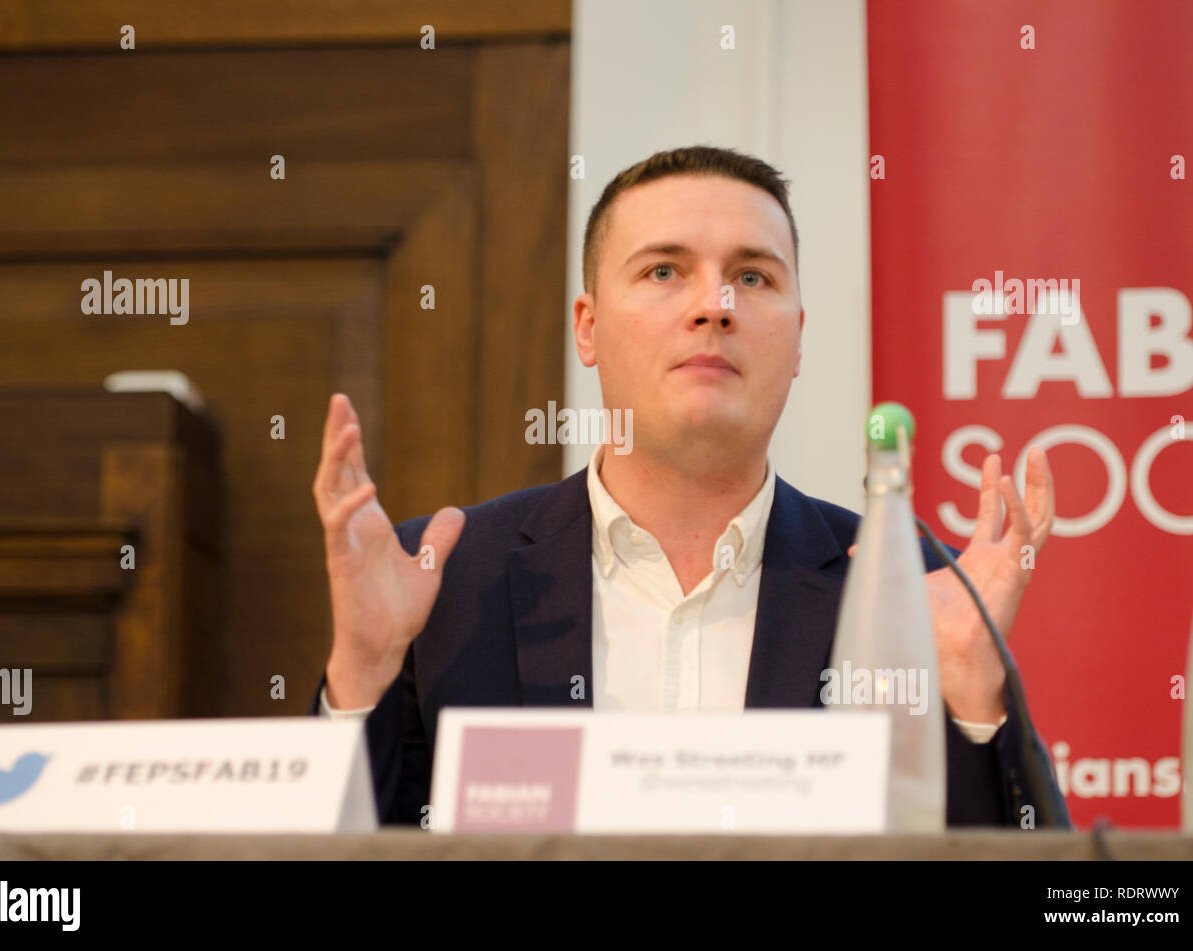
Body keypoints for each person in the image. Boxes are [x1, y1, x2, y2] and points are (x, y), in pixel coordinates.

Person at [309, 145, 1059, 826]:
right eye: (664, 271)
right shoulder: (443, 580)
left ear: (798, 336)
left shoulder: (900, 588)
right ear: (588, 327)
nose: (714, 306)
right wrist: (360, 679)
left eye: (751, 276)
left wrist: (972, 697)